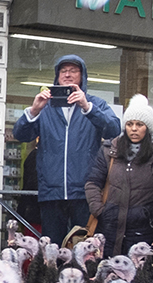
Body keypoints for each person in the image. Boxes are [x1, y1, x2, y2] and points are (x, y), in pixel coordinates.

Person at [13, 54, 121, 244]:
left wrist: (87, 107)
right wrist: (34, 111)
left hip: (84, 192)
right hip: (51, 193)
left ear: (82, 76)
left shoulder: (96, 104)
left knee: (82, 249)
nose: (68, 75)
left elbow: (113, 129)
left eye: (73, 71)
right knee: (52, 251)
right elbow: (21, 135)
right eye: (63, 71)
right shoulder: (45, 106)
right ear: (57, 75)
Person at [82, 94, 153, 256]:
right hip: (108, 229)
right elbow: (93, 183)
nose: (134, 128)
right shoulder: (109, 150)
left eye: (139, 124)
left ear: (148, 127)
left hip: (142, 231)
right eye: (130, 124)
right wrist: (100, 211)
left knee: (140, 277)